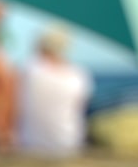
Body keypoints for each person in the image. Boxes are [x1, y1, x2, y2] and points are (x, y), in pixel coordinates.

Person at [16, 26, 93, 157]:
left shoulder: (28, 70)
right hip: (68, 144)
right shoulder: (78, 75)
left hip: (30, 144)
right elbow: (81, 107)